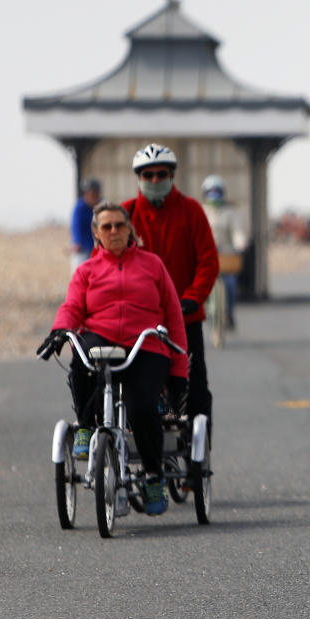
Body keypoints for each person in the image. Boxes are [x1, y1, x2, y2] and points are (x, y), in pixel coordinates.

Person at [40, 201, 189, 515]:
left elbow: (174, 317)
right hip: (101, 335)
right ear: (96, 233)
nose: (114, 231)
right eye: (106, 227)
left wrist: (178, 369)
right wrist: (60, 330)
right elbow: (71, 308)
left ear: (129, 229)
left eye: (119, 225)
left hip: (145, 343)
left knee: (142, 408)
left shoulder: (152, 265)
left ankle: (152, 474)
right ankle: (85, 426)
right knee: (80, 364)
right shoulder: (86, 271)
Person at [123, 143, 219, 427]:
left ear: (172, 176)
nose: (155, 180)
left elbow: (208, 262)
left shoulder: (191, 211)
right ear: (138, 177)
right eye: (148, 174)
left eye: (161, 174)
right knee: (126, 384)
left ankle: (198, 459)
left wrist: (193, 297)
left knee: (195, 387)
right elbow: (103, 263)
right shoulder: (124, 215)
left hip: (184, 316)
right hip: (138, 320)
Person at [201, 175, 249, 330]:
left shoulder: (230, 212)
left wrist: (240, 244)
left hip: (225, 253)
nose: (214, 195)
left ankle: (229, 312)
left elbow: (237, 232)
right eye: (211, 191)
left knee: (230, 283)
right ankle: (204, 309)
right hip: (206, 254)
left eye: (217, 191)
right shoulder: (201, 211)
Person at [69, 178, 101, 270]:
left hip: (98, 248)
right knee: (80, 271)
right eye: (92, 194)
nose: (94, 197)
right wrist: (77, 242)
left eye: (96, 194)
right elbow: (75, 226)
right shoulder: (79, 207)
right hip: (83, 248)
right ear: (86, 195)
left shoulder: (102, 206)